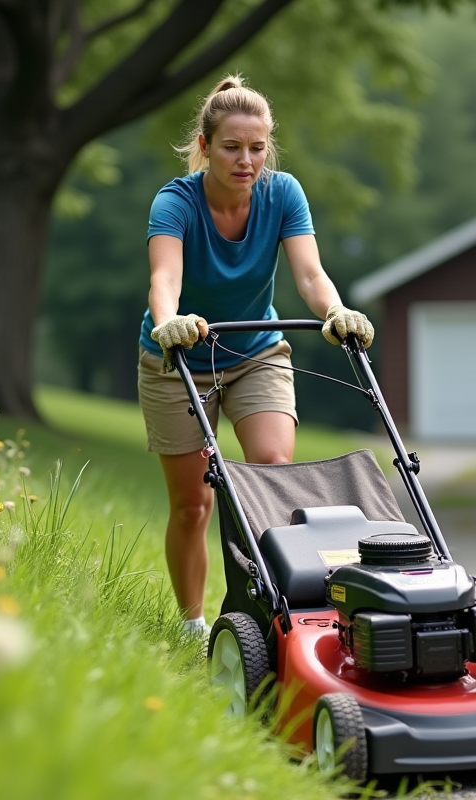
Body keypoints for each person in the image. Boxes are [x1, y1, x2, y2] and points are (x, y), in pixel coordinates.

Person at [138, 75, 374, 639]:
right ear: (205, 145)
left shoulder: (283, 193)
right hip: (178, 359)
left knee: (269, 475)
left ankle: (261, 614)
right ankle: (193, 624)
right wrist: (170, 321)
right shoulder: (176, 201)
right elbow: (164, 277)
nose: (246, 160)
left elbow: (311, 275)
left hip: (255, 353)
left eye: (257, 147)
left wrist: (336, 311)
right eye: (232, 147)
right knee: (194, 505)